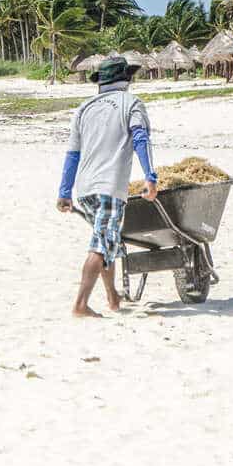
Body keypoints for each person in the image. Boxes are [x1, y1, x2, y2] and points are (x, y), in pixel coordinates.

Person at [56, 56, 158, 318]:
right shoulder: (131, 103)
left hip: (85, 189)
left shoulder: (84, 108)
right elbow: (140, 138)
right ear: (126, 79)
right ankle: (80, 304)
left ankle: (113, 297)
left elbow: (72, 154)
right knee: (101, 245)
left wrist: (65, 192)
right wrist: (150, 177)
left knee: (106, 240)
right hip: (110, 187)